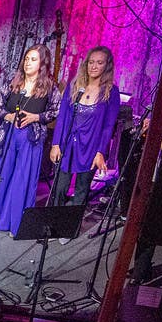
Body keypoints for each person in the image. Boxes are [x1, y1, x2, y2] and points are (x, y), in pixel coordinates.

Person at [0, 42, 53, 235]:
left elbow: (56, 110)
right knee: (3, 175)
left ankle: (17, 223)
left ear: (42, 63)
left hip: (31, 138)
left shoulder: (49, 87)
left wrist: (36, 117)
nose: (28, 63)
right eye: (26, 58)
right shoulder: (14, 82)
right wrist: (9, 116)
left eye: (33, 59)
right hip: (9, 135)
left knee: (22, 179)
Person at [49, 46, 122, 205]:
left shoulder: (111, 92)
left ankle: (71, 227)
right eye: (91, 62)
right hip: (68, 144)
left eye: (99, 63)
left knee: (81, 190)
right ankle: (53, 225)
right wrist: (56, 144)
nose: (94, 66)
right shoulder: (74, 86)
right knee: (60, 188)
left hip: (90, 147)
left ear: (107, 66)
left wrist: (100, 151)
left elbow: (108, 126)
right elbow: (62, 117)